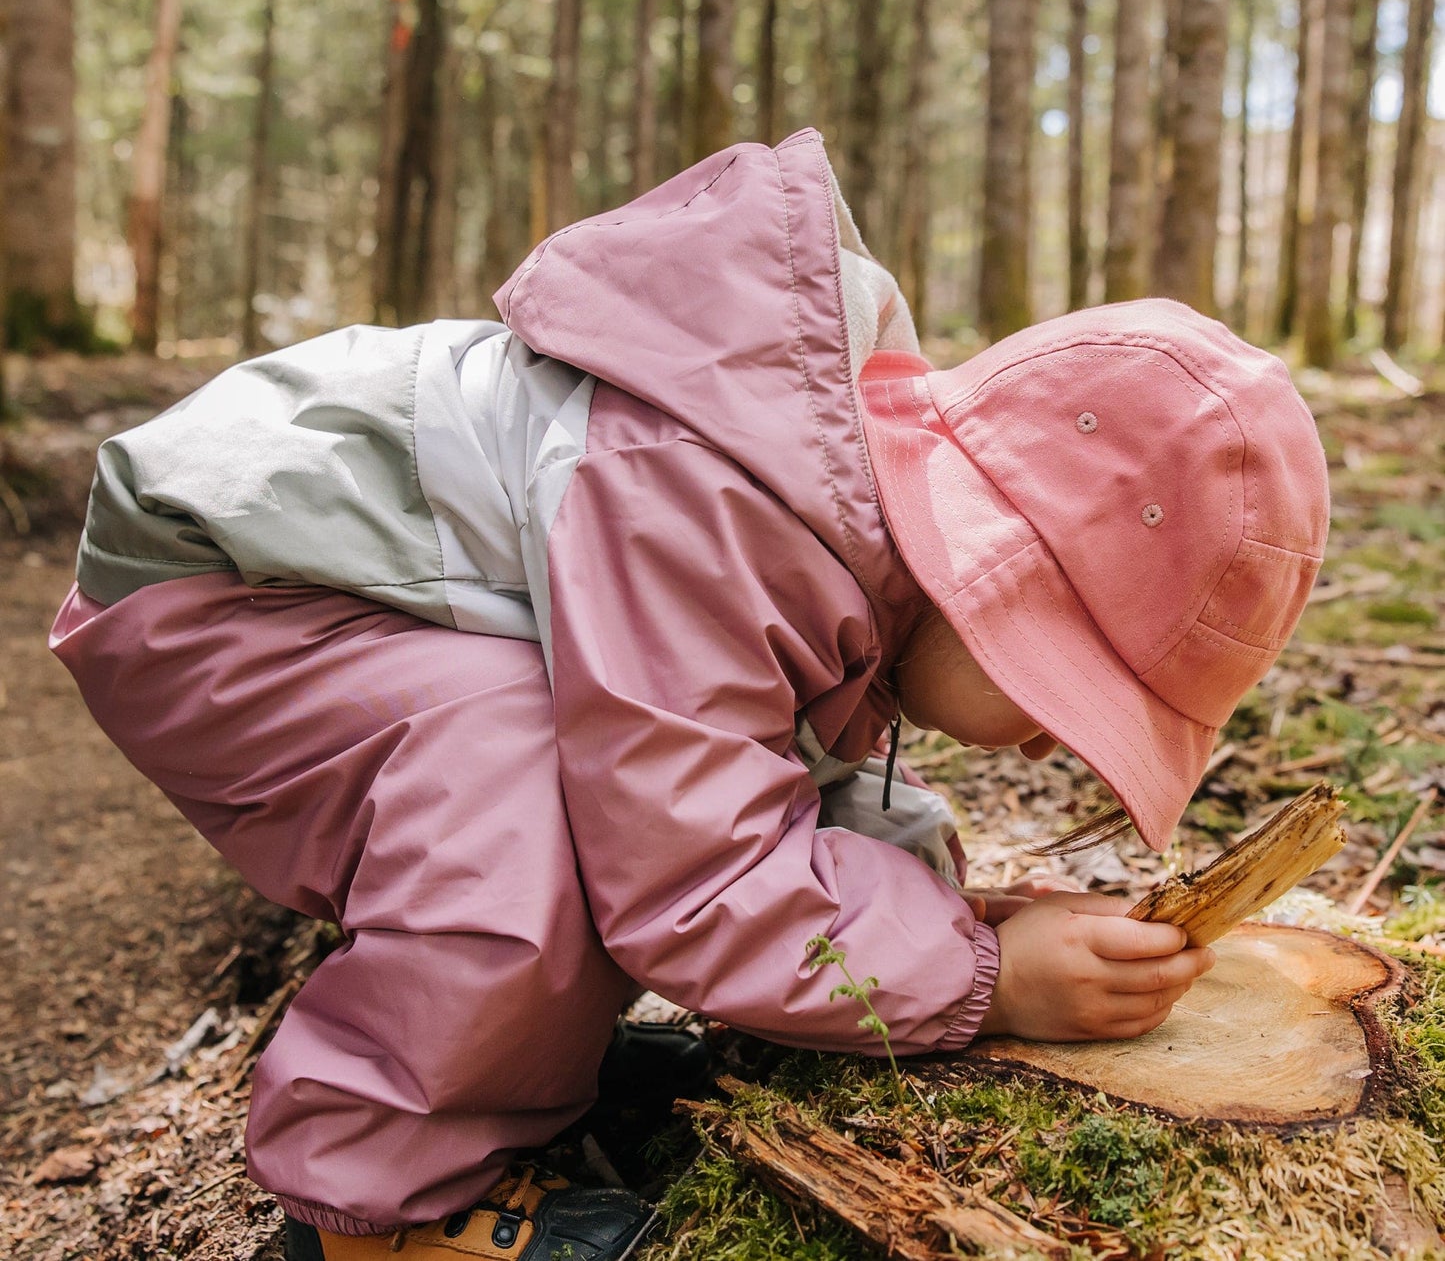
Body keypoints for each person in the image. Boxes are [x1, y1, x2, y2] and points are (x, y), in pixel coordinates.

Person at [50, 130, 1329, 1261]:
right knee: (521, 787)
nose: (1052, 742)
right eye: (1069, 697)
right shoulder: (713, 499)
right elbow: (694, 868)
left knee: (610, 773)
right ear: (993, 579)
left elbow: (769, 785)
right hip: (231, 593)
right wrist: (984, 976)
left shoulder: (831, 527)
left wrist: (963, 917)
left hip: (368, 598)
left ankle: (536, 1073)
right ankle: (381, 1211)